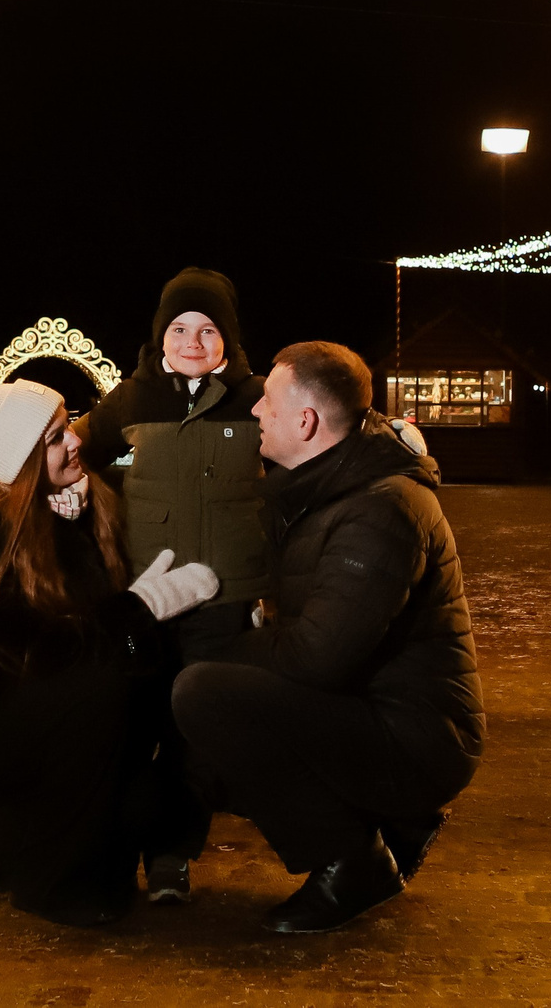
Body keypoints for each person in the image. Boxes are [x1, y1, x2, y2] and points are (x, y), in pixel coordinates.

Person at [173, 340, 485, 934]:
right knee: (206, 730)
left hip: (417, 738)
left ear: (306, 421)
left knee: (205, 693)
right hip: (377, 714)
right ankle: (388, 830)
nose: (256, 413)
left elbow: (318, 657)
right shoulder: (321, 492)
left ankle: (351, 861)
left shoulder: (382, 509)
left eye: (267, 401)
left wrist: (214, 653)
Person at [0, 378, 221, 928]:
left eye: (70, 424)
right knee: (97, 687)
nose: (75, 441)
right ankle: (43, 866)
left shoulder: (99, 505)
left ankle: (37, 838)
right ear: (25, 460)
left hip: (88, 724)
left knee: (150, 773)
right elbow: (37, 652)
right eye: (55, 438)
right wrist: (136, 612)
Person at [72, 266, 272, 901]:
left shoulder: (257, 398)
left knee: (195, 731)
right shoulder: (132, 399)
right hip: (147, 596)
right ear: (160, 336)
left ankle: (171, 856)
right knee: (134, 718)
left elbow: (327, 431)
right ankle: (113, 845)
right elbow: (71, 451)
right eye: (180, 328)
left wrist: (396, 438)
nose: (193, 341)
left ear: (229, 340)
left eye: (208, 329)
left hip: (224, 596)